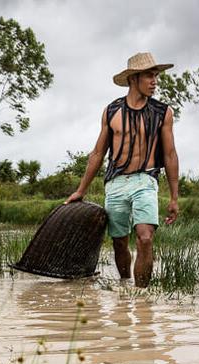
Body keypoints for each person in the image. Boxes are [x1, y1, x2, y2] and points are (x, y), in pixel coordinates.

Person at [65, 52, 179, 288]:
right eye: (149, 75)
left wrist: (174, 197)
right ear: (133, 79)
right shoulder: (111, 111)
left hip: (145, 180)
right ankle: (126, 287)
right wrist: (81, 190)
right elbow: (98, 153)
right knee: (119, 242)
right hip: (116, 183)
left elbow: (170, 154)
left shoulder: (162, 113)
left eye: (156, 75)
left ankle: (142, 297)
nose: (154, 81)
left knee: (145, 238)